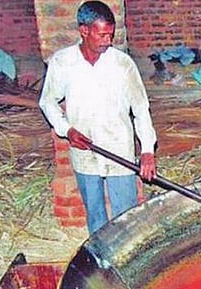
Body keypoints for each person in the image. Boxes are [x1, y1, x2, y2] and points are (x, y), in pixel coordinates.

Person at [39, 0, 157, 234]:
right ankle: (100, 254)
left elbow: (141, 109)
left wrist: (147, 151)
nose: (107, 41)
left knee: (126, 217)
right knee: (95, 216)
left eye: (110, 35)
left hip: (118, 148)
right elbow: (47, 101)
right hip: (85, 151)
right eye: (102, 35)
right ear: (84, 31)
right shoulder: (63, 62)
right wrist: (66, 130)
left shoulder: (122, 64)